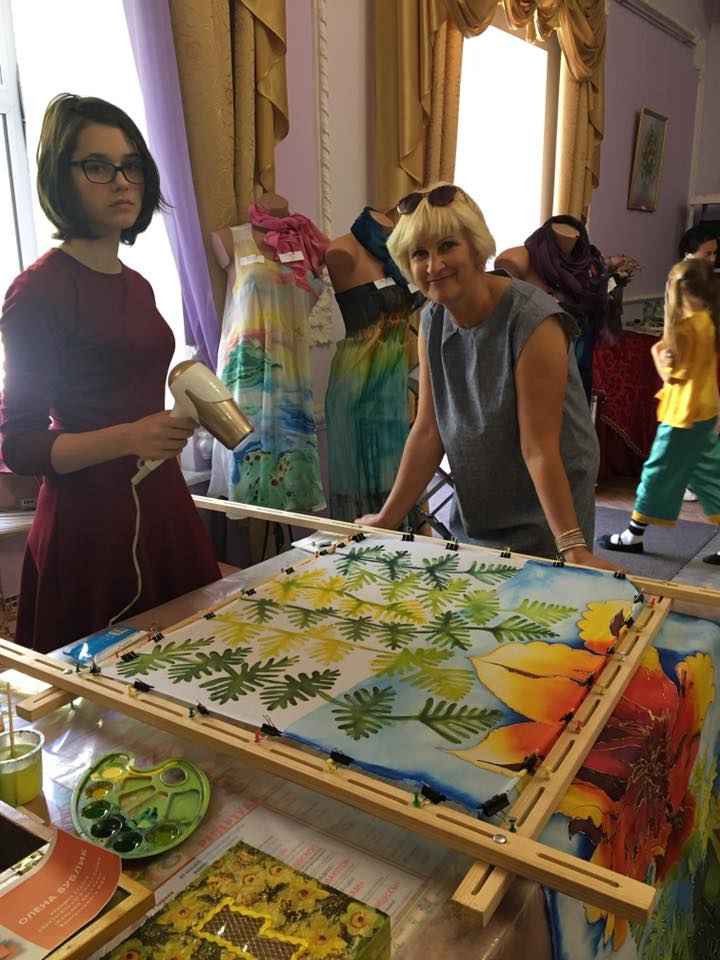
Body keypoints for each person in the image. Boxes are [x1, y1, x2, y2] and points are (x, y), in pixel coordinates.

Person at [0, 93, 221, 654]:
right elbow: (20, 444)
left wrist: (174, 414)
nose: (121, 181)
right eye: (97, 166)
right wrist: (130, 436)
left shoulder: (136, 284)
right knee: (100, 691)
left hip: (161, 502)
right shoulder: (40, 291)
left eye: (131, 166)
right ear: (61, 175)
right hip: (90, 525)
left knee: (192, 664)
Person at [356, 183, 612, 569]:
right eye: (419, 253)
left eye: (447, 246)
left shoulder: (533, 319)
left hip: (548, 504)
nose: (433, 266)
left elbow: (539, 449)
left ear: (476, 248)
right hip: (481, 494)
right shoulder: (432, 318)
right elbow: (428, 429)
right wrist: (386, 517)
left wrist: (573, 547)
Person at [597, 257, 720, 563]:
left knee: (656, 473)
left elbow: (673, 375)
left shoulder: (688, 328)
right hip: (702, 413)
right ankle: (634, 535)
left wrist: (657, 352)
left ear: (681, 291)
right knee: (710, 478)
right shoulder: (707, 322)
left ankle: (632, 537)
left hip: (683, 416)